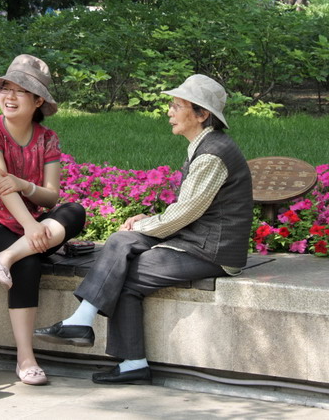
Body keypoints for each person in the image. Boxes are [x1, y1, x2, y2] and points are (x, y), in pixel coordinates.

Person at [34, 74, 253, 385]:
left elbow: (186, 213)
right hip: (195, 240)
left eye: (177, 105)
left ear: (202, 114)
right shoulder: (205, 146)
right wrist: (143, 222)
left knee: (122, 275)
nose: (169, 111)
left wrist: (146, 223)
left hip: (211, 251)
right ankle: (102, 338)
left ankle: (106, 340)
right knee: (121, 240)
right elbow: (190, 209)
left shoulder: (213, 154)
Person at [0, 54, 86, 385]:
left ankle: (4, 258)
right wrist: (32, 227)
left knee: (75, 212)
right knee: (28, 264)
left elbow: (50, 197)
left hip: (29, 228)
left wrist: (26, 186)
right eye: (6, 87)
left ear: (38, 101)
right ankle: (25, 358)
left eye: (21, 90)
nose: (9, 96)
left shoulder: (47, 139)